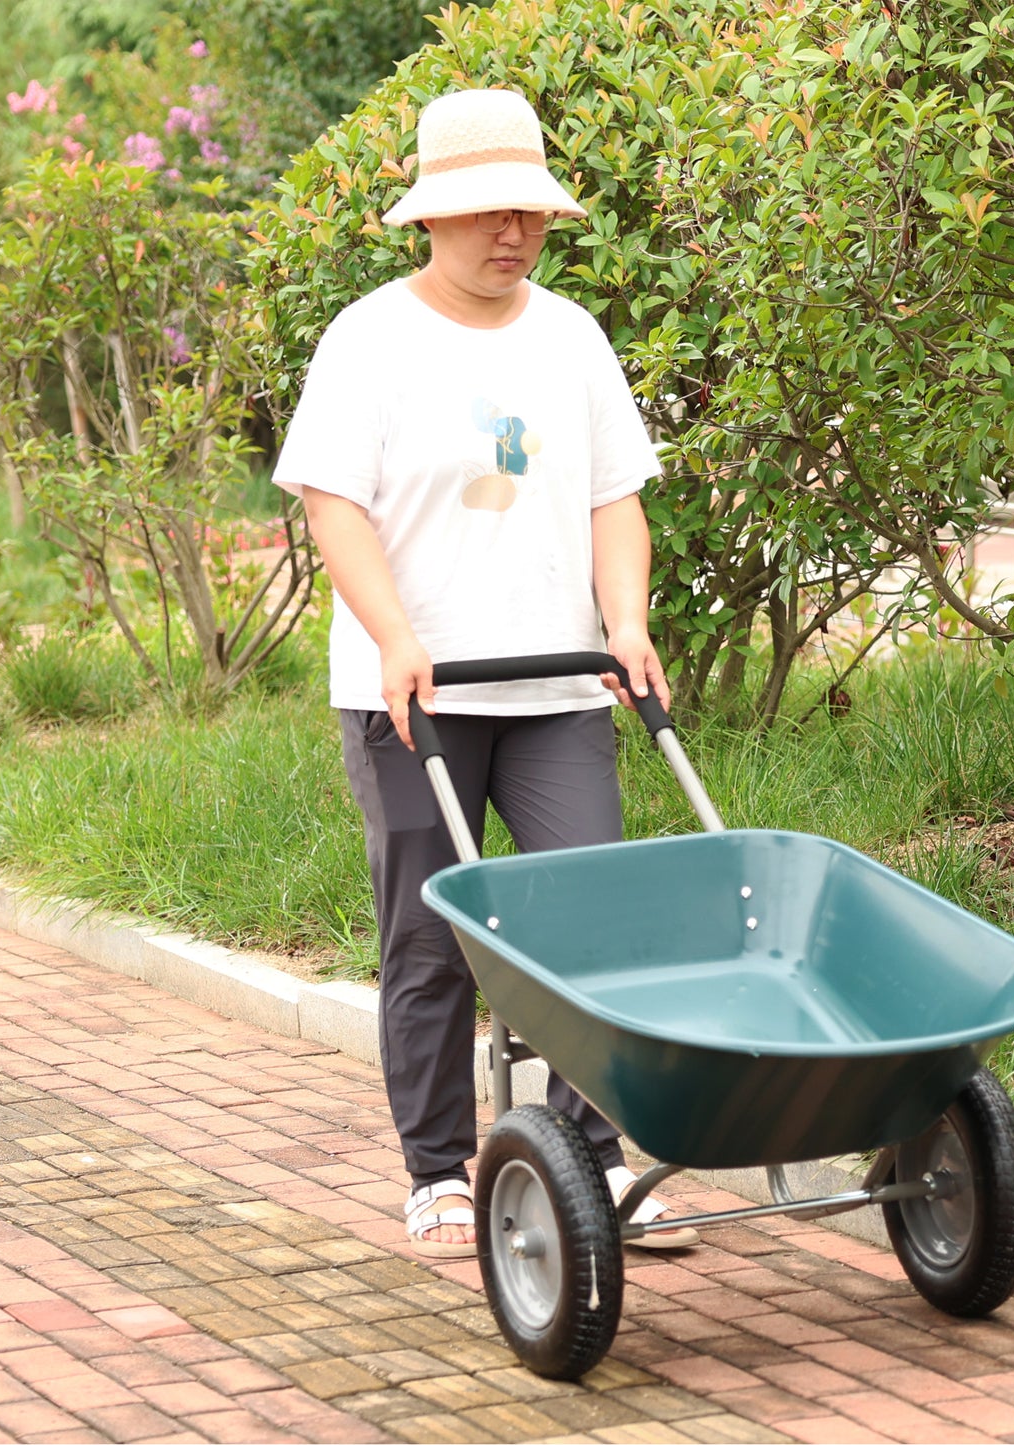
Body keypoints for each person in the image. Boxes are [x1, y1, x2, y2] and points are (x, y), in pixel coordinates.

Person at [273, 87, 696, 1258]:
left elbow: (617, 496)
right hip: (413, 695)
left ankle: (591, 1160)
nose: (510, 233)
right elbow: (332, 503)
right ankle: (434, 1168)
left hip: (557, 689)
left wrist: (626, 618)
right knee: (429, 935)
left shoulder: (571, 336)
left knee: (590, 927)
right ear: (430, 218)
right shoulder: (369, 338)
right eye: (483, 213)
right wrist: (393, 634)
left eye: (527, 212)